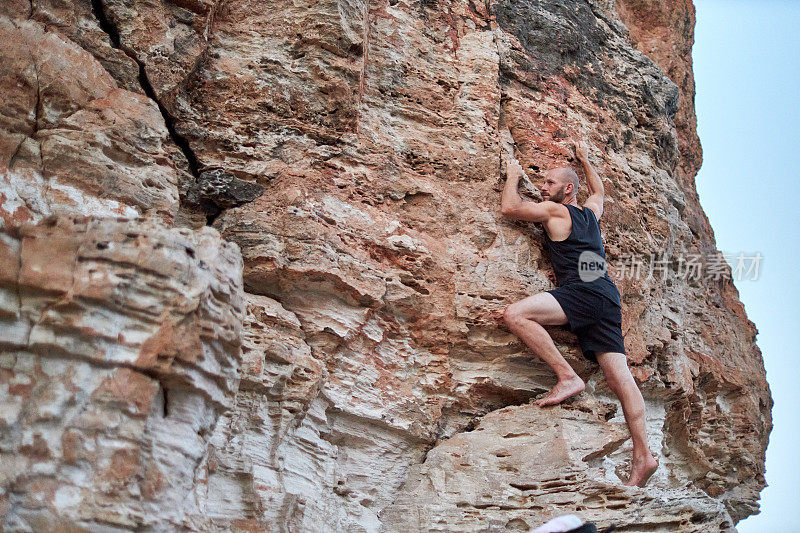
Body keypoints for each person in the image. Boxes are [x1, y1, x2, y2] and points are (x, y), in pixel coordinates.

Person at [499, 141, 658, 488]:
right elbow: (599, 191)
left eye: (550, 183)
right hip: (606, 295)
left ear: (568, 189)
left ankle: (567, 376)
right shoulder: (591, 213)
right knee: (620, 377)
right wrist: (586, 160)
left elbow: (510, 208)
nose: (543, 188)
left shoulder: (557, 212)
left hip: (581, 291)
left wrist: (512, 175)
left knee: (516, 314)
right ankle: (644, 455)